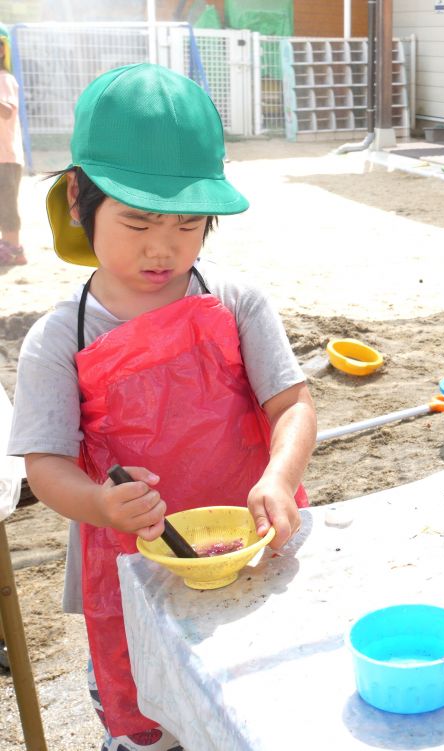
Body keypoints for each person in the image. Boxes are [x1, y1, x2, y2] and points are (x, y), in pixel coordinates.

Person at [7, 64, 316, 748]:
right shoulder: (58, 338)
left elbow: (292, 404)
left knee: (258, 705)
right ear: (79, 199)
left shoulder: (237, 302)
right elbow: (48, 464)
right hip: (134, 575)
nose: (163, 246)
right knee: (154, 719)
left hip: (251, 549)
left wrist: (279, 477)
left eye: (186, 223)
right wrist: (97, 503)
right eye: (138, 220)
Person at [0, 24, 25, 266]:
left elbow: (7, 112)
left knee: (7, 205)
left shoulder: (5, 79)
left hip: (6, 157)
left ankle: (14, 249)